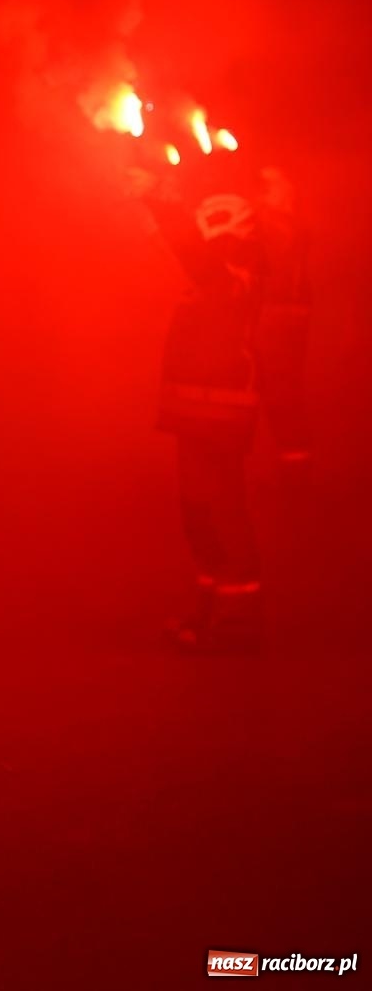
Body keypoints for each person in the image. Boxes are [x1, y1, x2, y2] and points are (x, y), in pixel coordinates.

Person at [132, 149, 307, 651]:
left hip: (220, 415)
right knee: (197, 512)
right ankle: (209, 611)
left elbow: (192, 253)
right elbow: (179, 255)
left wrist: (162, 203)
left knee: (222, 511)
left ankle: (240, 622)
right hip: (194, 414)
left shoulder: (236, 279)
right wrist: (155, 209)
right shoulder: (214, 279)